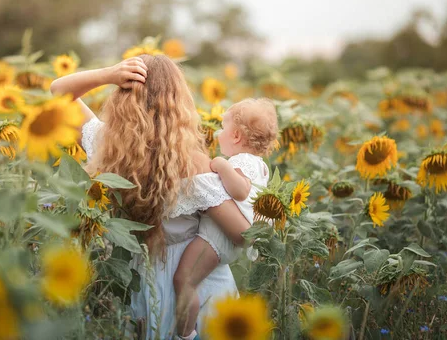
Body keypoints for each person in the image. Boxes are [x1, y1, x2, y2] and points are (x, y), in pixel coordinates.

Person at [50, 54, 250, 339]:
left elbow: (58, 91)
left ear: (122, 97)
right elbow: (243, 234)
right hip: (192, 283)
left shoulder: (107, 146)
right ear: (179, 102)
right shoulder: (194, 164)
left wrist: (110, 73)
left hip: (137, 276)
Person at [173, 98, 278, 338]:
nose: (218, 132)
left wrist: (220, 165)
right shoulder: (261, 165)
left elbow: (239, 190)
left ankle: (186, 334)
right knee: (196, 281)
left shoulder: (239, 162)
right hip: (226, 242)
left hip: (215, 239)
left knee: (184, 280)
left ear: (237, 136)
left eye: (222, 127)